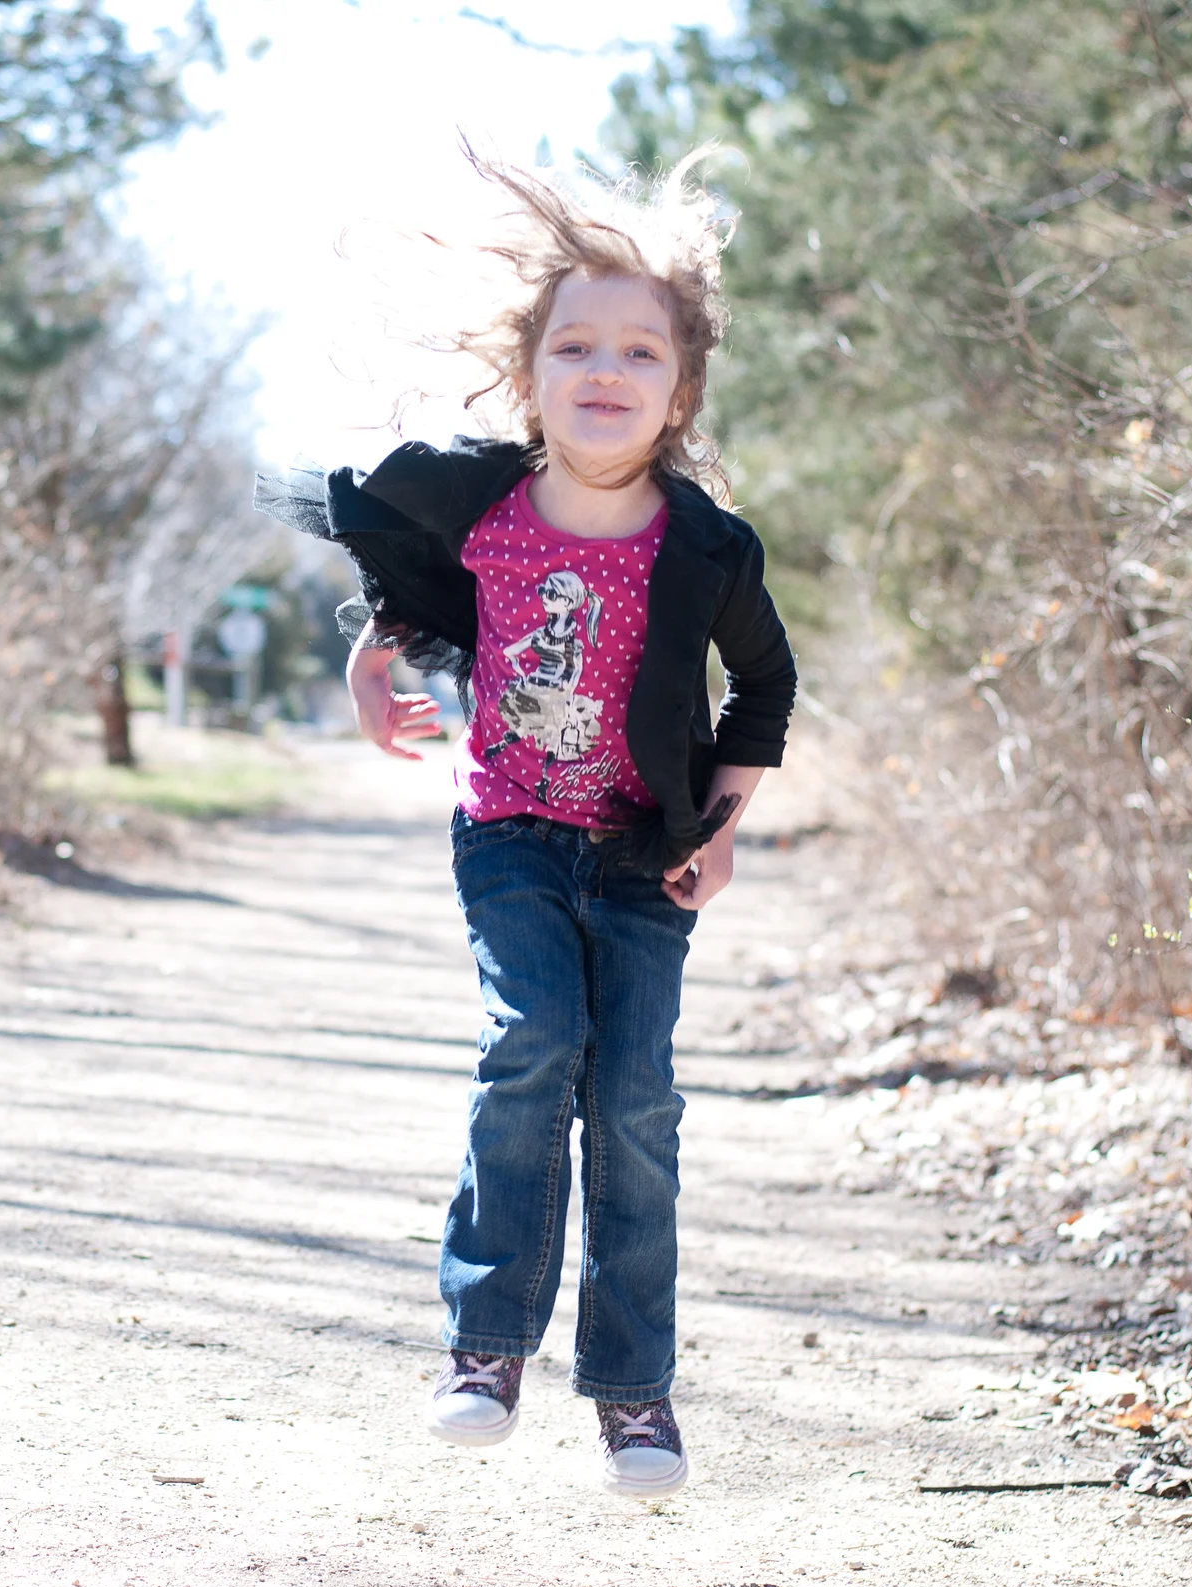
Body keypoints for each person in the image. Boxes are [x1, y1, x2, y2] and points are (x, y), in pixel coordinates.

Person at [254, 149, 794, 1497]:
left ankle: (633, 1395)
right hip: (507, 831)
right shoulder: (485, 503)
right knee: (529, 1047)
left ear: (681, 387)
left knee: (635, 1101)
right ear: (532, 370)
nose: (606, 370)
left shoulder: (706, 546)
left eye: (639, 351)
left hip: (645, 851)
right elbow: (417, 589)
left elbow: (765, 686)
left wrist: (720, 828)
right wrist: (370, 665)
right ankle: (486, 1349)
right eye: (575, 346)